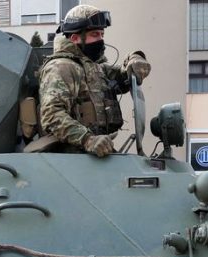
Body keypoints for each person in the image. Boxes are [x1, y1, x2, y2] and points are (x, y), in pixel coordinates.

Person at [38, 4, 151, 157]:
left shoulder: (94, 66)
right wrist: (88, 140)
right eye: (95, 34)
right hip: (71, 158)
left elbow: (123, 76)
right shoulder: (61, 67)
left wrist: (135, 59)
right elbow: (52, 116)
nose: (101, 40)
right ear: (75, 38)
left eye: (102, 34)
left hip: (94, 155)